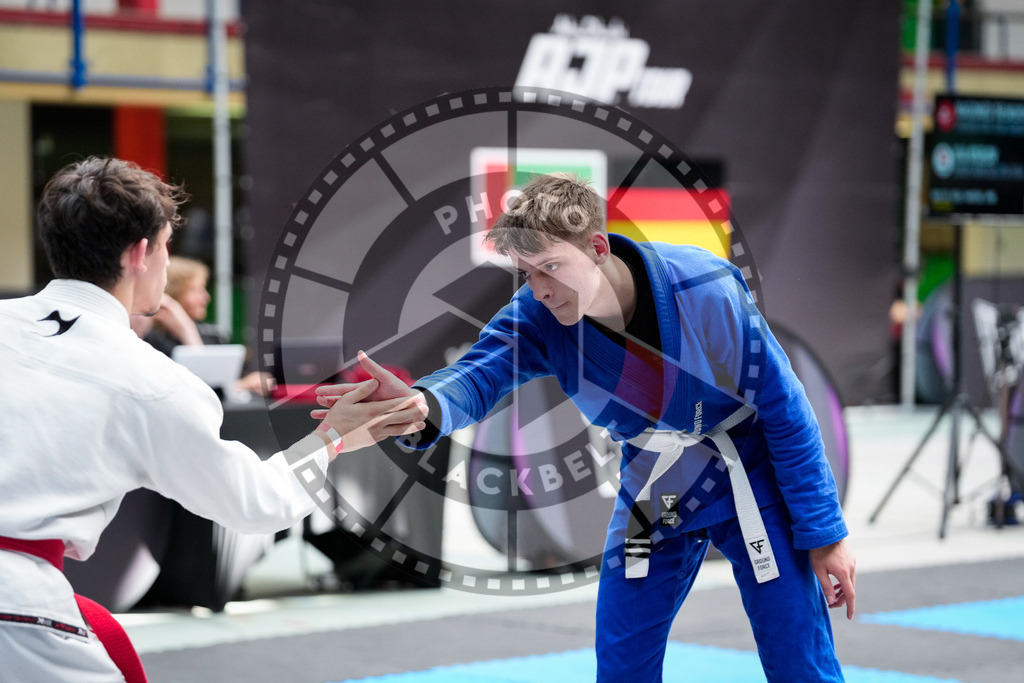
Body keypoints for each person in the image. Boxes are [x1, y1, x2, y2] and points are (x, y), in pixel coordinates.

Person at [316, 173, 856, 681]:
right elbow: (478, 375)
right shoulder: (536, 316)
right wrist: (426, 403)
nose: (540, 288)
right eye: (527, 273)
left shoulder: (703, 287)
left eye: (550, 267)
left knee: (798, 657)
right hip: (656, 485)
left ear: (597, 248)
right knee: (621, 661)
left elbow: (786, 409)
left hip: (748, 478)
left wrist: (825, 534)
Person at [0, 157, 426, 682]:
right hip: (18, 608)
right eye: (166, 247)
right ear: (140, 253)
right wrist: (331, 437)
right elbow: (255, 503)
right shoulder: (150, 380)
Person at [146, 255, 273, 396]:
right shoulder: (152, 340)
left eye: (203, 289)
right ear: (173, 294)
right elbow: (197, 387)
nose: (205, 297)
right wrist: (185, 329)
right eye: (195, 290)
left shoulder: (214, 336)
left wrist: (246, 383)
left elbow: (224, 383)